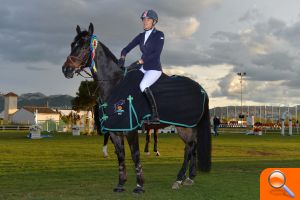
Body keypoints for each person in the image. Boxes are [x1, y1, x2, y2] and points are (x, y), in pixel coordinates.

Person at [118, 9, 164, 124]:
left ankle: (155, 115)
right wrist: (122, 58)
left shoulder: (159, 35)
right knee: (129, 79)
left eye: (148, 19)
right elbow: (126, 48)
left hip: (154, 68)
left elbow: (156, 54)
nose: (145, 21)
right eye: (144, 19)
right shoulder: (141, 36)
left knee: (143, 85)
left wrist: (140, 61)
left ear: (154, 21)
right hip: (142, 67)